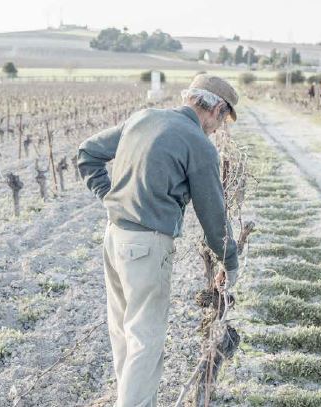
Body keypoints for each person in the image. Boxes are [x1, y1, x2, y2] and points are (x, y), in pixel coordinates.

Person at [77, 74, 240, 407]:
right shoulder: (199, 144)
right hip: (147, 247)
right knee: (145, 342)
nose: (219, 128)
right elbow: (213, 216)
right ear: (217, 108)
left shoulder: (143, 118)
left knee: (124, 336)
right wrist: (230, 260)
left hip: (114, 237)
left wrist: (112, 196)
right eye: (223, 119)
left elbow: (88, 153)